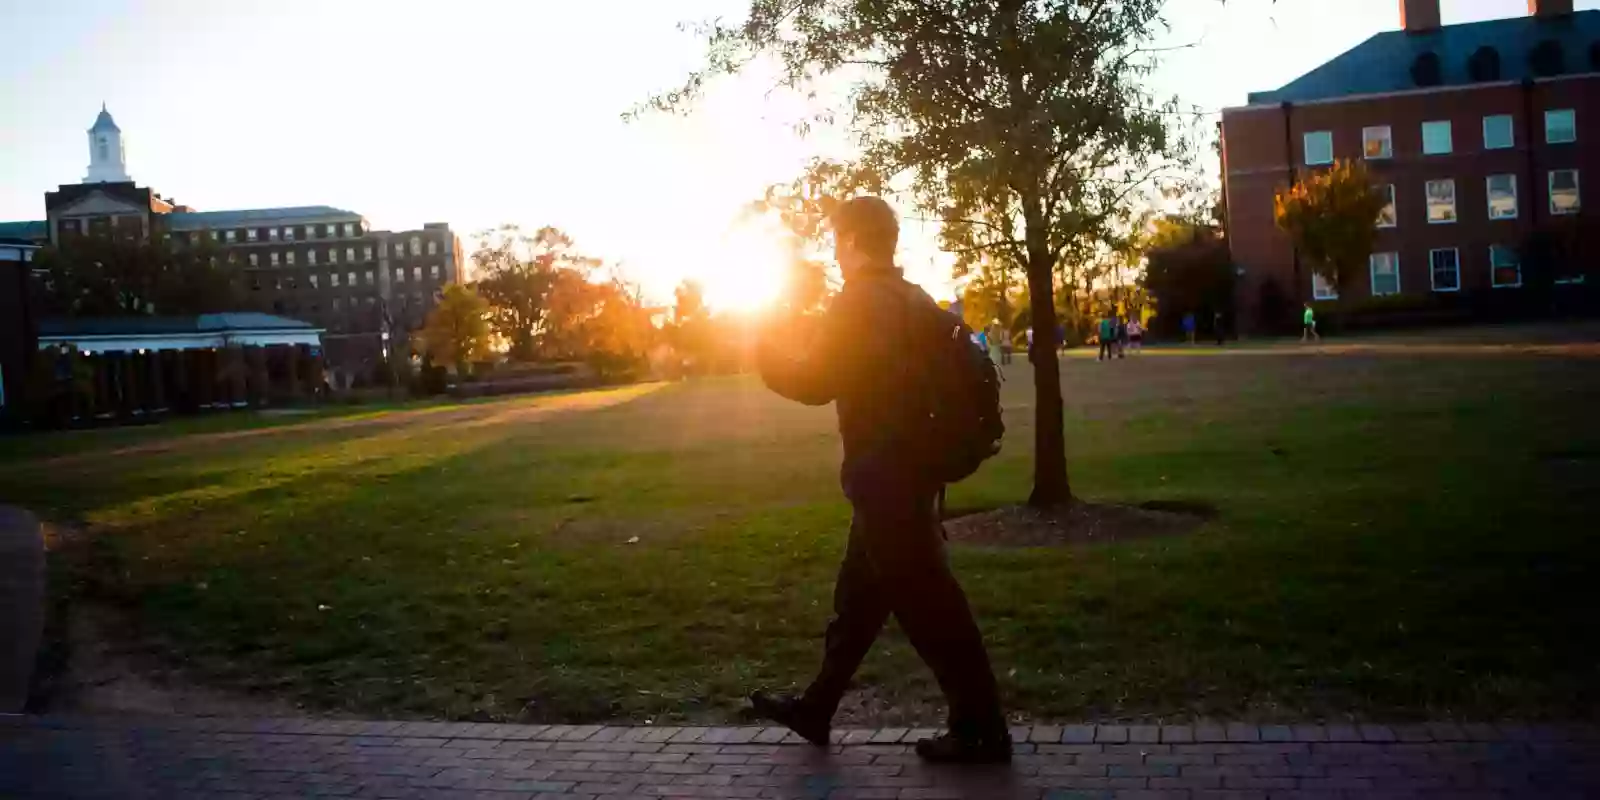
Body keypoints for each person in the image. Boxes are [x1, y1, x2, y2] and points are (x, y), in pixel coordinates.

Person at [751, 195, 1010, 764]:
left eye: (837, 239)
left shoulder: (861, 303)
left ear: (850, 240)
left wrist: (765, 353)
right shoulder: (909, 298)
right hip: (908, 473)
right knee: (859, 601)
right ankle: (817, 708)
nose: (835, 250)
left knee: (930, 605)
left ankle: (982, 728)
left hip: (886, 478)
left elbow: (816, 380)